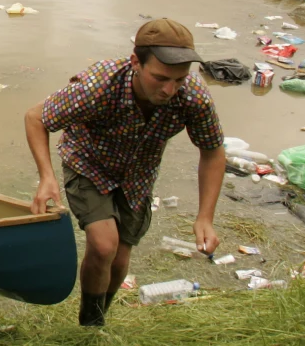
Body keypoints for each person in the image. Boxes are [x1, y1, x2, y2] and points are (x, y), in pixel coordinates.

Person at [23, 19, 226, 327]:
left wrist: (205, 217)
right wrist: (47, 177)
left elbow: (212, 152)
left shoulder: (193, 97)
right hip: (89, 163)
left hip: (138, 176)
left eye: (179, 80)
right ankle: (89, 326)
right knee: (104, 245)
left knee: (119, 260)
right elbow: (36, 117)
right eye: (159, 78)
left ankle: (98, 316)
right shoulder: (99, 86)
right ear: (135, 63)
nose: (169, 89)